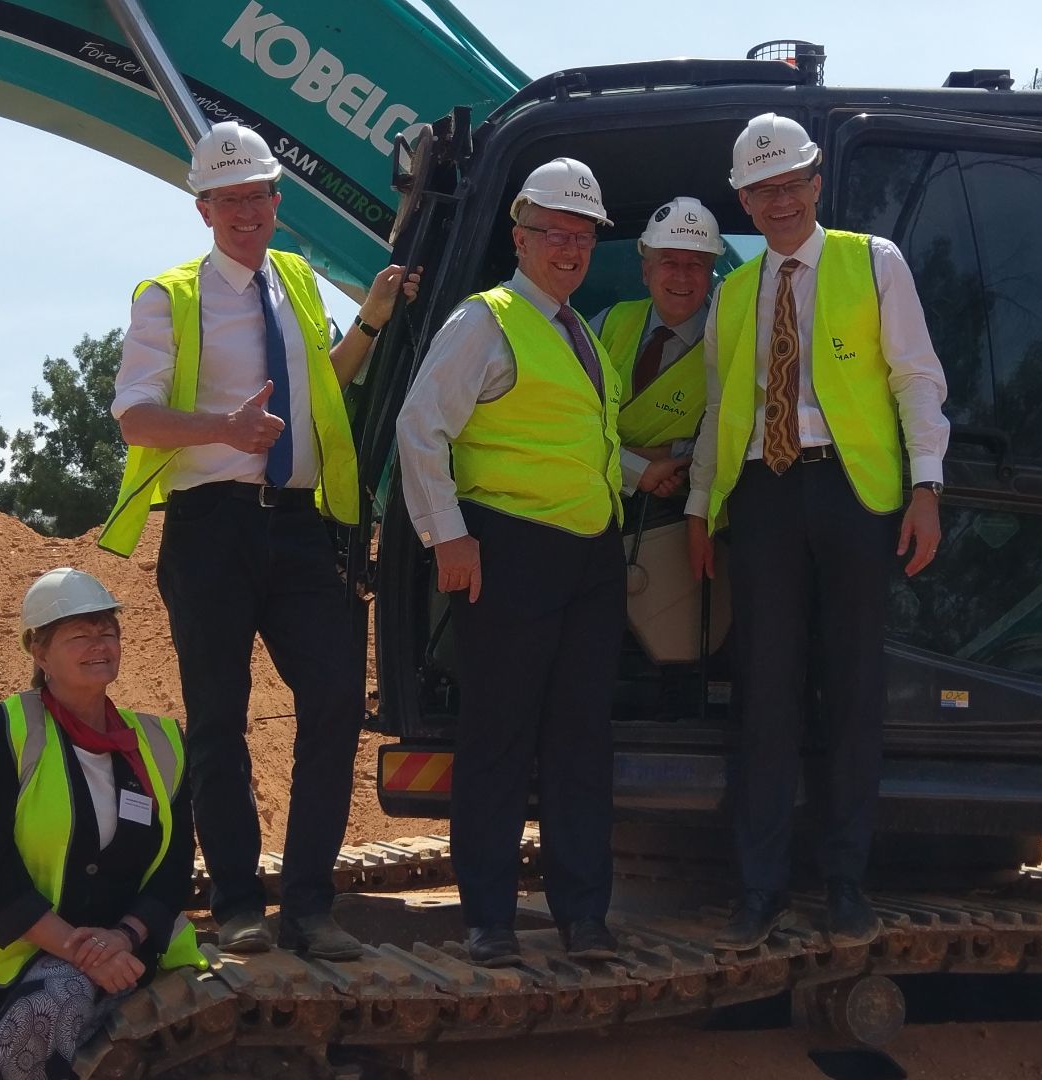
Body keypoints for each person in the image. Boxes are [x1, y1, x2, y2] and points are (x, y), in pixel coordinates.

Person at [97, 121, 419, 959]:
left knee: (337, 704)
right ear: (204, 209)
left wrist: (373, 324)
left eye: (259, 196)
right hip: (212, 528)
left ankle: (310, 906)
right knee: (218, 720)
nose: (247, 211)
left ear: (278, 201)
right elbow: (133, 412)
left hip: (302, 526)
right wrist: (222, 429)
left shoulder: (299, 283)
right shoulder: (168, 296)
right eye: (229, 199)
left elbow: (325, 385)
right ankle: (238, 902)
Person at [683, 113, 951, 950]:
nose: (780, 200)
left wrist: (926, 487)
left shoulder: (874, 264)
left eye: (792, 182)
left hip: (853, 495)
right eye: (762, 189)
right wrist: (701, 504)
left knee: (851, 690)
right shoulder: (732, 294)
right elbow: (721, 410)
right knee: (764, 695)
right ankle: (758, 890)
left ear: (817, 185)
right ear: (743, 201)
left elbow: (915, 377)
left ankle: (844, 882)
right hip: (761, 497)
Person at [395, 157, 625, 967]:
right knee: (497, 740)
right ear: (520, 237)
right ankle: (489, 920)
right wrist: (446, 536)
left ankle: (583, 917)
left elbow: (573, 440)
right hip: (512, 553)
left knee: (579, 743)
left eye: (583, 235)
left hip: (591, 561)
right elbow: (420, 427)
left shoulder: (579, 329)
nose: (571, 248)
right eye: (556, 233)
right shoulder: (485, 321)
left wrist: (642, 473)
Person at [0, 568, 206, 1080]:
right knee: (61, 993)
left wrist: (123, 938)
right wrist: (83, 952)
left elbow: (174, 865)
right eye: (80, 635)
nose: (99, 645)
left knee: (86, 996)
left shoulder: (161, 743)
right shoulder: (5, 731)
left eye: (108, 632)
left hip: (120, 955)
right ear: (39, 652)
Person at [591, 196, 723, 501]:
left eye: (695, 264)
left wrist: (674, 457)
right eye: (668, 262)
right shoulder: (610, 321)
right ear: (646, 272)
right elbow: (566, 416)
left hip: (665, 516)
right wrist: (642, 460)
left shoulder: (728, 344)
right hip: (588, 498)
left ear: (710, 275)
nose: (681, 275)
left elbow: (716, 445)